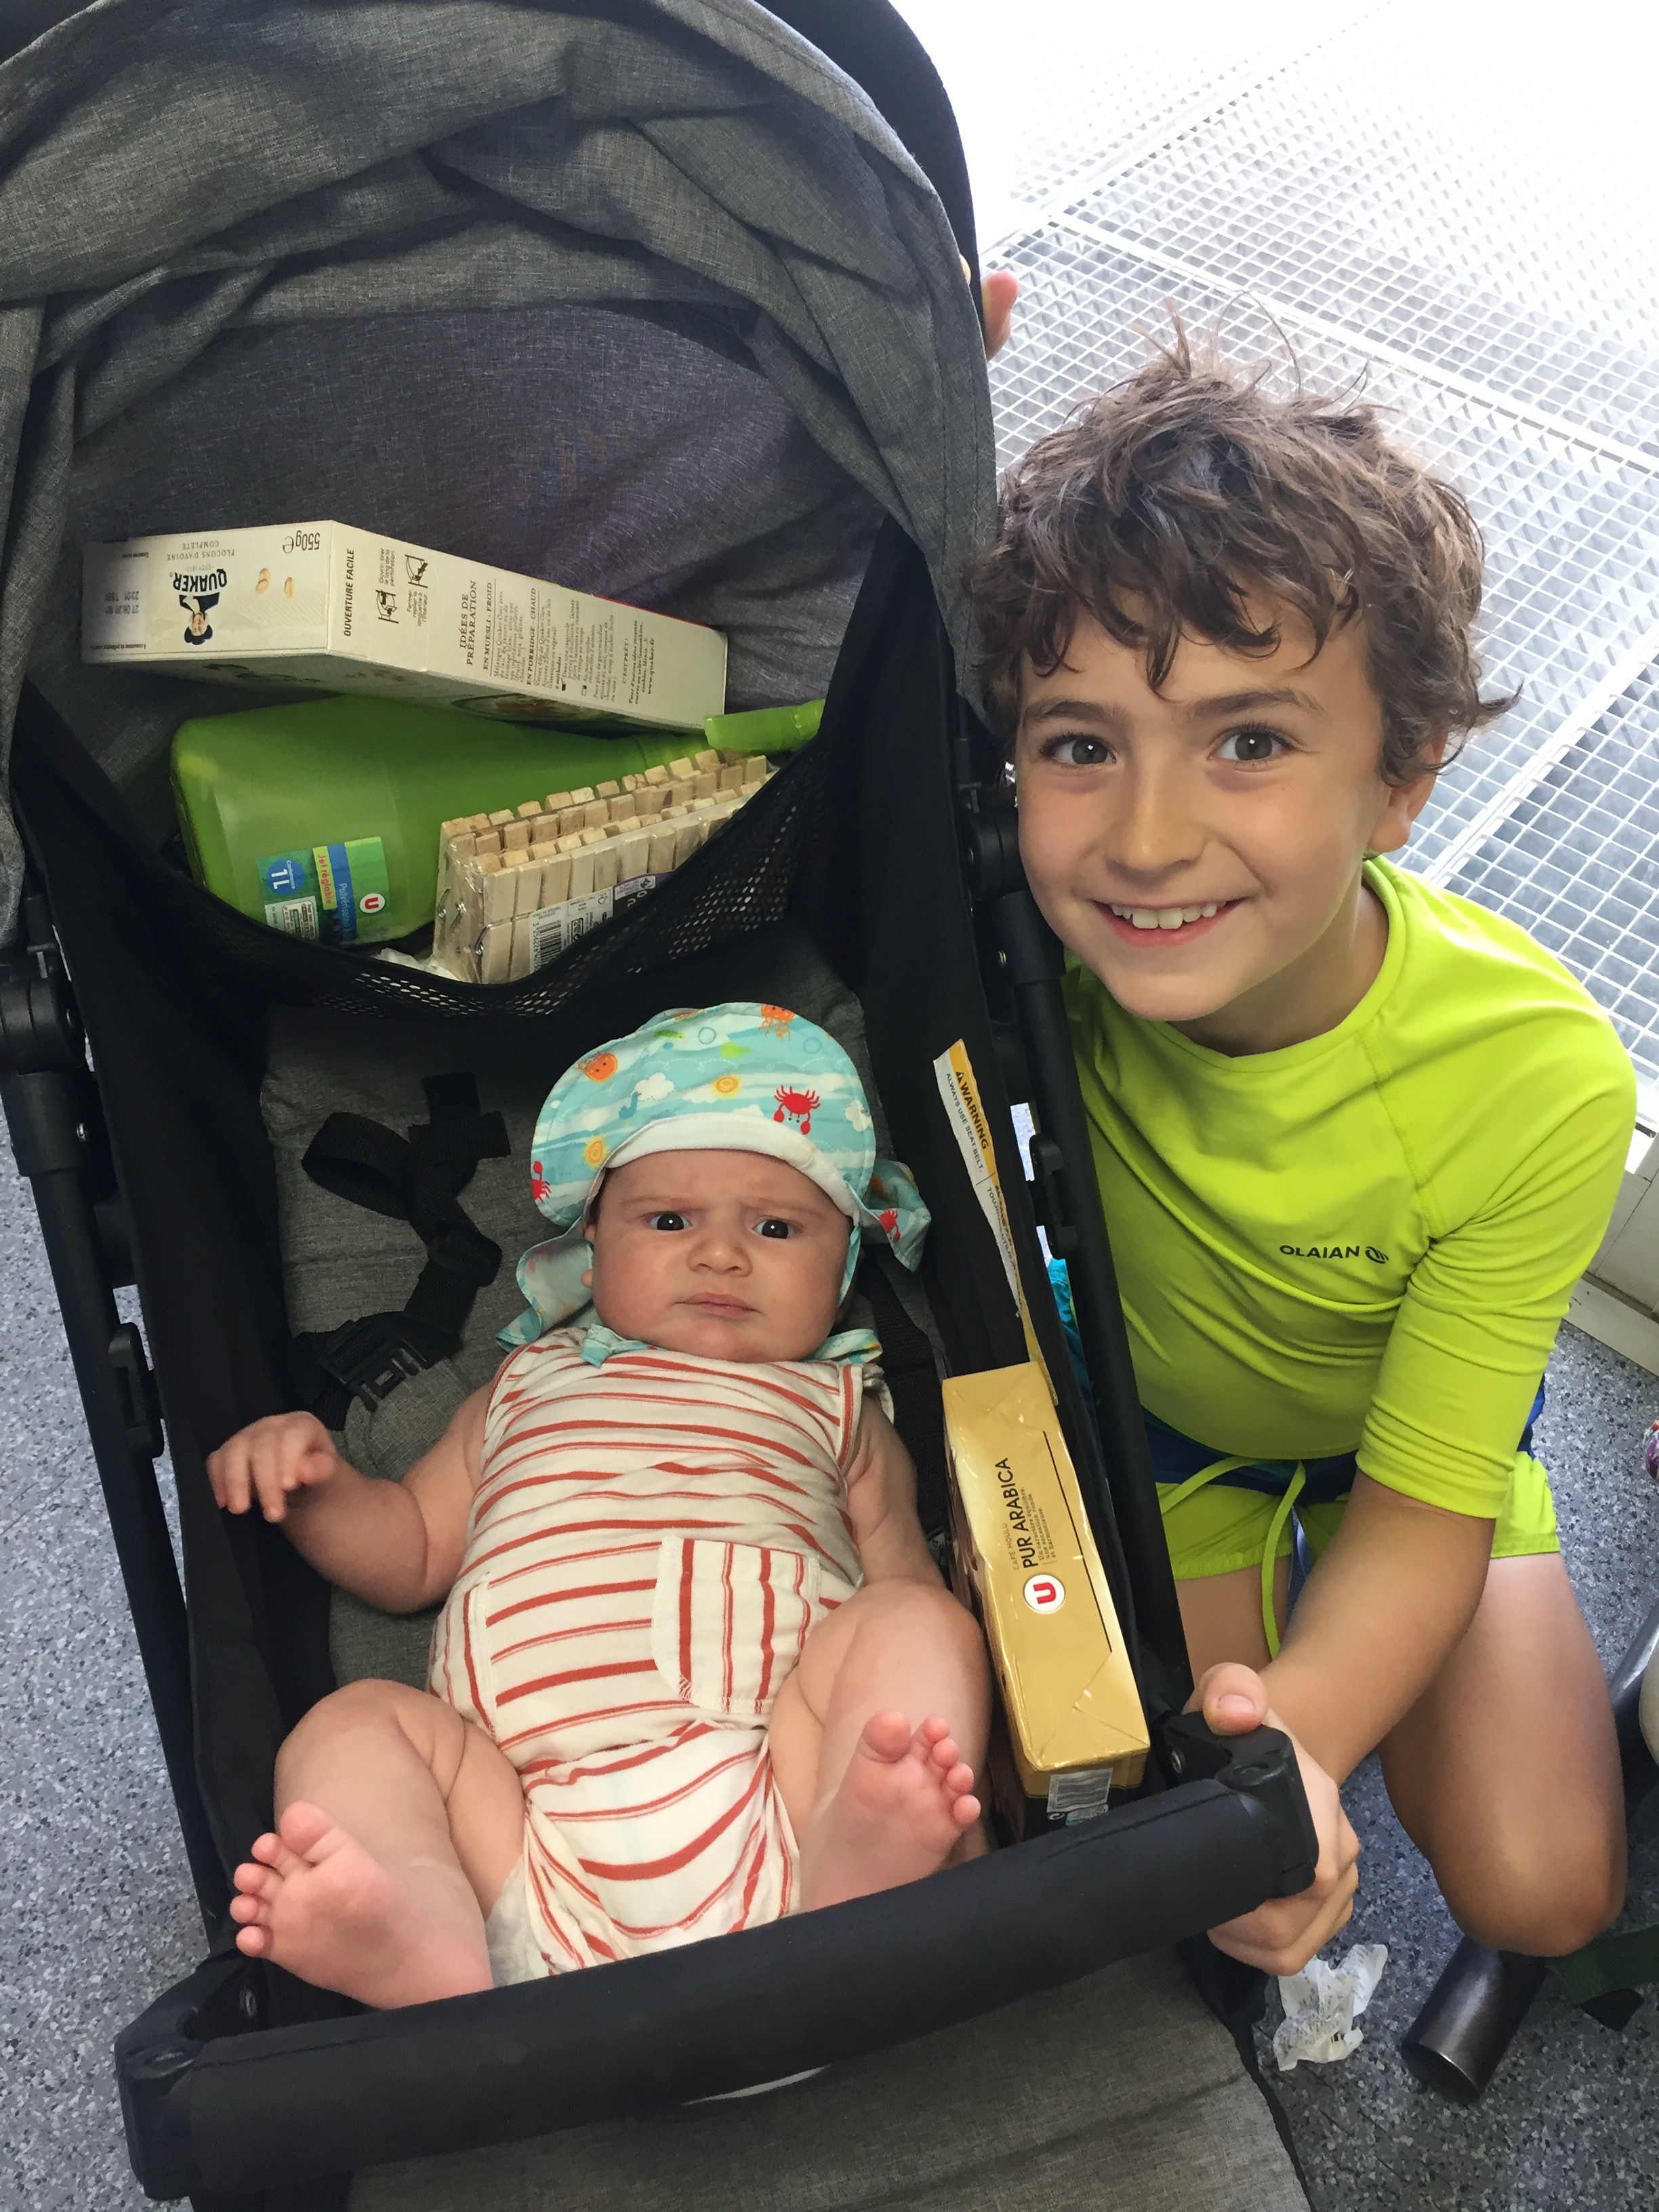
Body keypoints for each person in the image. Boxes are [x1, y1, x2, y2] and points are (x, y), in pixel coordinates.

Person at [969, 335, 1634, 1976]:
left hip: (1409, 1463)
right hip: (1166, 1448)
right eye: (1080, 743)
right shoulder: (1032, 966)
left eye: (1251, 741)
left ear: (1403, 780)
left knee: (1545, 1889)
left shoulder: (1534, 1080)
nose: (1145, 840)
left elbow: (1423, 1502)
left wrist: (1300, 1753)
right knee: (1128, 1825)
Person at [208, 1004, 989, 2007]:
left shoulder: (838, 1405)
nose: (721, 1255)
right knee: (353, 1724)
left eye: (776, 1227)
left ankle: (878, 1857)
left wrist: (931, 1749)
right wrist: (319, 1492)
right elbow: (411, 1550)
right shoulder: (526, 1384)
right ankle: (417, 1923)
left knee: (919, 1623)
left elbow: (906, 1583)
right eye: (669, 1221)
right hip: (531, 1846)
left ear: (841, 1266)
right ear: (594, 1242)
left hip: (786, 1801)